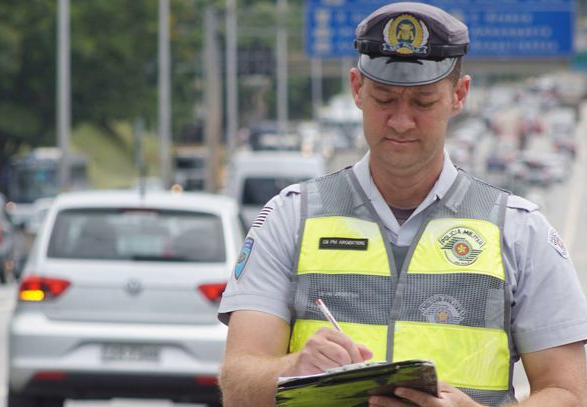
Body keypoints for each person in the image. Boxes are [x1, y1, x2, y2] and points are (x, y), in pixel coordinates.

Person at [217, 2, 587, 406]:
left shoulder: (519, 231)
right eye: (385, 100)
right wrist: (291, 369)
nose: (401, 121)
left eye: (423, 102)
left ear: (458, 96)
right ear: (357, 89)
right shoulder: (291, 218)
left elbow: (569, 392)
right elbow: (237, 382)